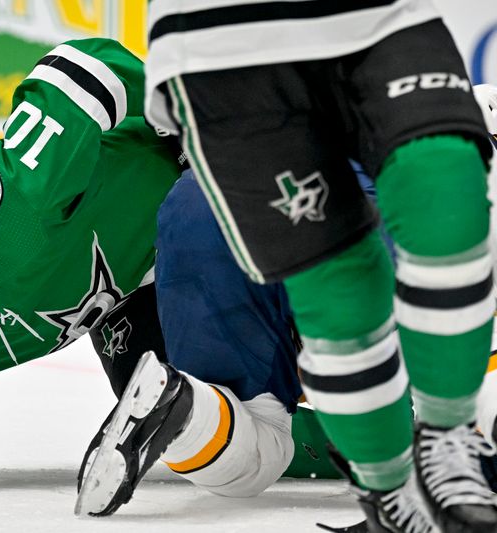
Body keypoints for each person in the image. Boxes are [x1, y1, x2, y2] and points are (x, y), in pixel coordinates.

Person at [0, 37, 335, 493]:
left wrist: (180, 110)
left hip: (203, 213)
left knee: (319, 327)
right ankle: (365, 445)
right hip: (132, 302)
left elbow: (82, 66)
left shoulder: (11, 201)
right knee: (187, 419)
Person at [80, 4, 497, 532]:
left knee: (257, 432)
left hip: (209, 185)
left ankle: (185, 407)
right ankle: (424, 461)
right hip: (345, 56)